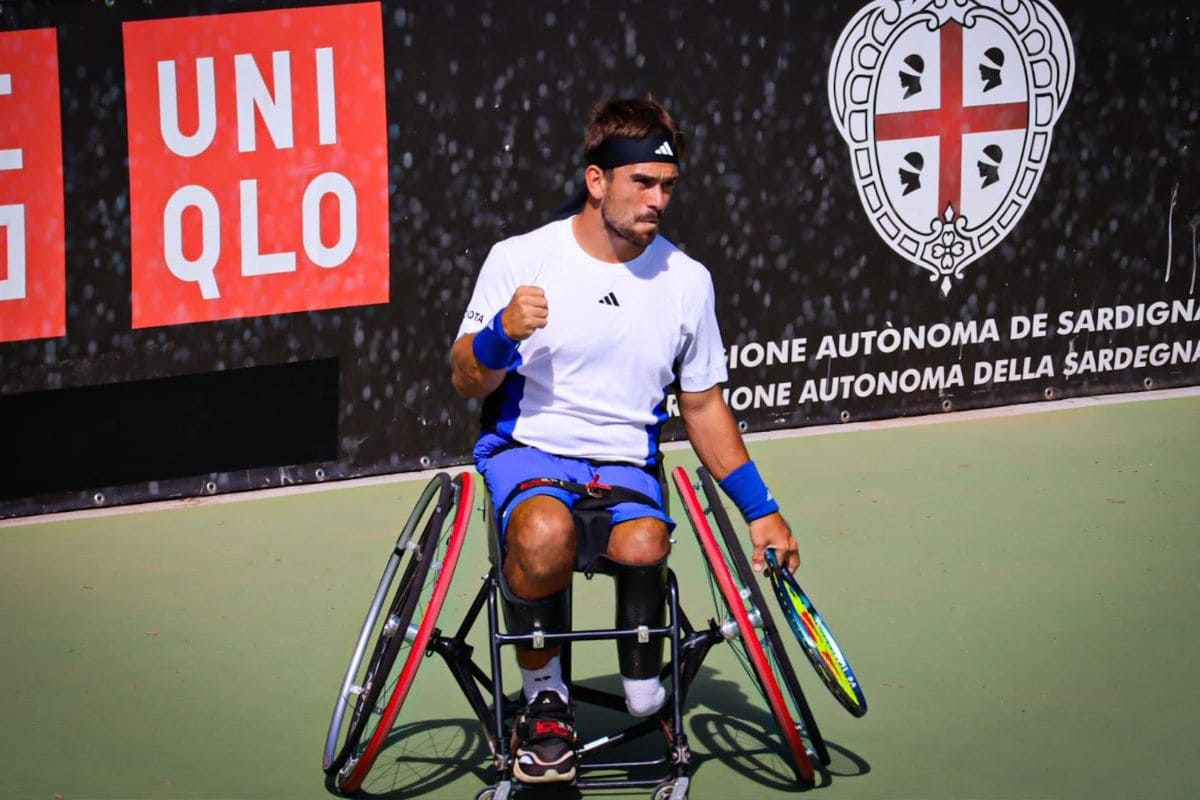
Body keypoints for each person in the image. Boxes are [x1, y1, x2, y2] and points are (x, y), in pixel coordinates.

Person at [450, 94, 800, 784]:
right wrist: (499, 335)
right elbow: (467, 379)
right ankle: (545, 696)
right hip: (532, 449)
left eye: (668, 185)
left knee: (646, 542)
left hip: (624, 460)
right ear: (597, 180)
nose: (658, 200)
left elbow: (701, 406)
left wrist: (760, 507)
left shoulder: (686, 281)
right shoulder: (521, 259)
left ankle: (642, 674)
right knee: (545, 531)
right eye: (643, 182)